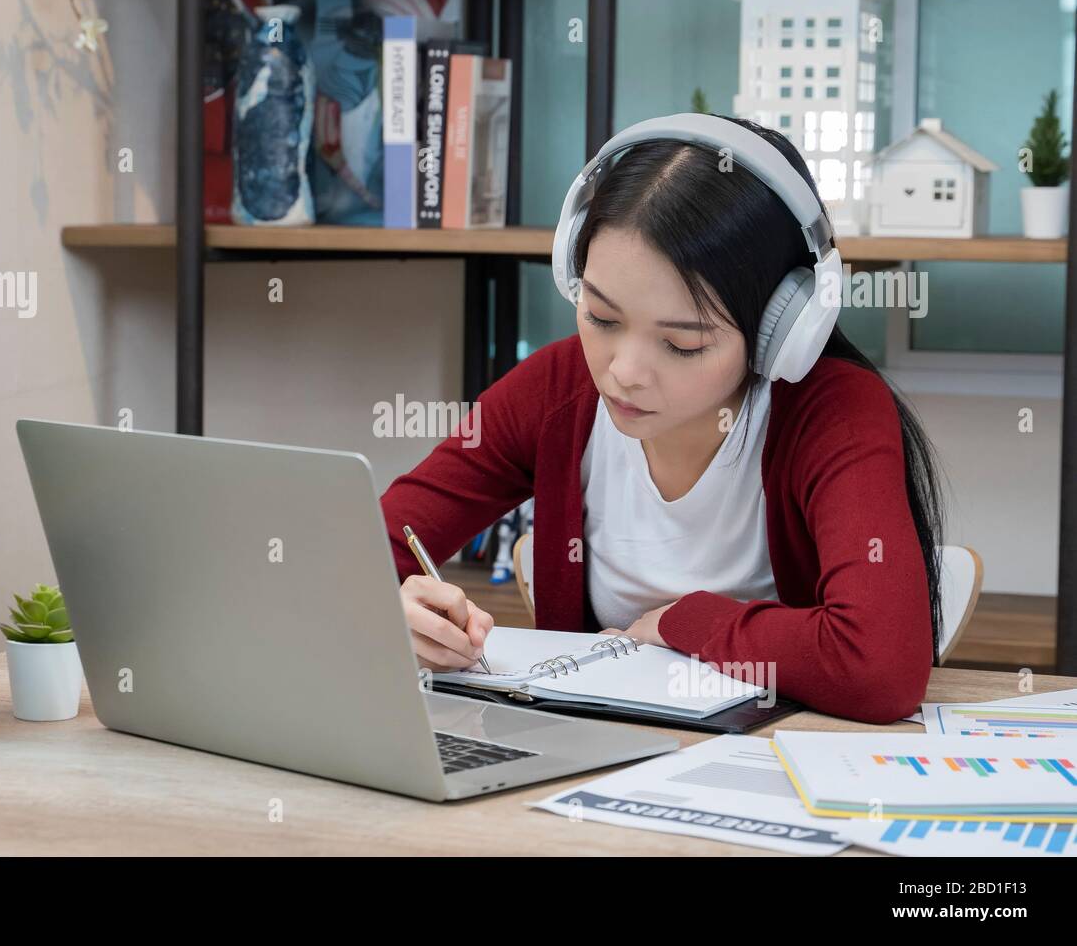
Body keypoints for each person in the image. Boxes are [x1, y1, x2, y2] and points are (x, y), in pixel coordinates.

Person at [380, 114, 946, 724]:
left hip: (775, 771)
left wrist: (686, 620)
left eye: (682, 344)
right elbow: (358, 552)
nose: (623, 371)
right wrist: (395, 609)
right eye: (601, 316)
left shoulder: (832, 410)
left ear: (780, 330)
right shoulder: (557, 388)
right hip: (591, 770)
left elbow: (880, 669)